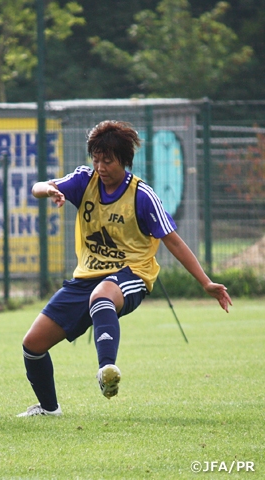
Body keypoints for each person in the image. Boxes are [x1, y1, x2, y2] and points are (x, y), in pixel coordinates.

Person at [18, 120, 232, 417]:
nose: (101, 167)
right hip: (85, 279)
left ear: (125, 161)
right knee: (32, 345)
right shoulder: (85, 180)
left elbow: (174, 241)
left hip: (131, 274)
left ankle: (106, 369)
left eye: (108, 161)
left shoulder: (142, 196)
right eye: (96, 159)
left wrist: (206, 283)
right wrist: (50, 191)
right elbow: (37, 187)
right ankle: (49, 409)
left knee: (102, 295)